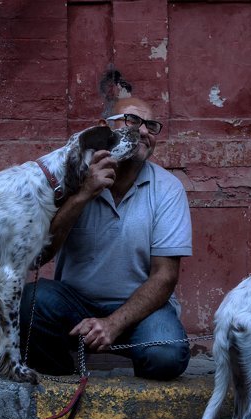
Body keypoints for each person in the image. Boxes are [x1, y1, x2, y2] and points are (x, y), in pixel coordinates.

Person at [19, 97, 192, 380]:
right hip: (74, 305)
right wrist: (83, 195)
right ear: (104, 127)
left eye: (151, 126)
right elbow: (40, 256)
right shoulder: (72, 179)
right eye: (132, 121)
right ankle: (64, 377)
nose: (143, 131)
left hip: (141, 310)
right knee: (30, 302)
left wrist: (112, 324)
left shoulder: (167, 189)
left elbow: (165, 277)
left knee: (166, 354)